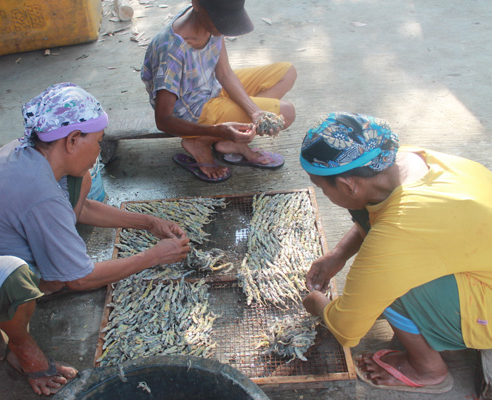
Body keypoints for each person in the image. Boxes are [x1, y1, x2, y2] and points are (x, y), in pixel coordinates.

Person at [0, 83, 191, 396]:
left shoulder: (33, 155)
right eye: (98, 142)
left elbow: (80, 207)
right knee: (16, 280)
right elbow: (81, 280)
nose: (100, 149)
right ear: (72, 140)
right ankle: (24, 353)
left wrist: (148, 222)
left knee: (80, 178)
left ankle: (37, 286)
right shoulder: (38, 192)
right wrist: (155, 256)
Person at [299, 112, 492, 394]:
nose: (325, 194)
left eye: (322, 188)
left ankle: (427, 369)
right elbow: (372, 212)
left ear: (346, 184)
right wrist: (338, 253)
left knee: (386, 284)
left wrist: (317, 301)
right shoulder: (401, 159)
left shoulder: (400, 229)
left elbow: (347, 330)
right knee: (375, 242)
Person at [141, 0, 297, 182]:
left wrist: (255, 112)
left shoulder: (210, 20)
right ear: (196, 4)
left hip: (211, 85)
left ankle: (231, 138)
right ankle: (201, 141)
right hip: (191, 109)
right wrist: (217, 130)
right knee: (286, 112)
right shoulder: (172, 51)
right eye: (220, 21)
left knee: (286, 72)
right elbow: (163, 120)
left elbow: (224, 73)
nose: (224, 28)